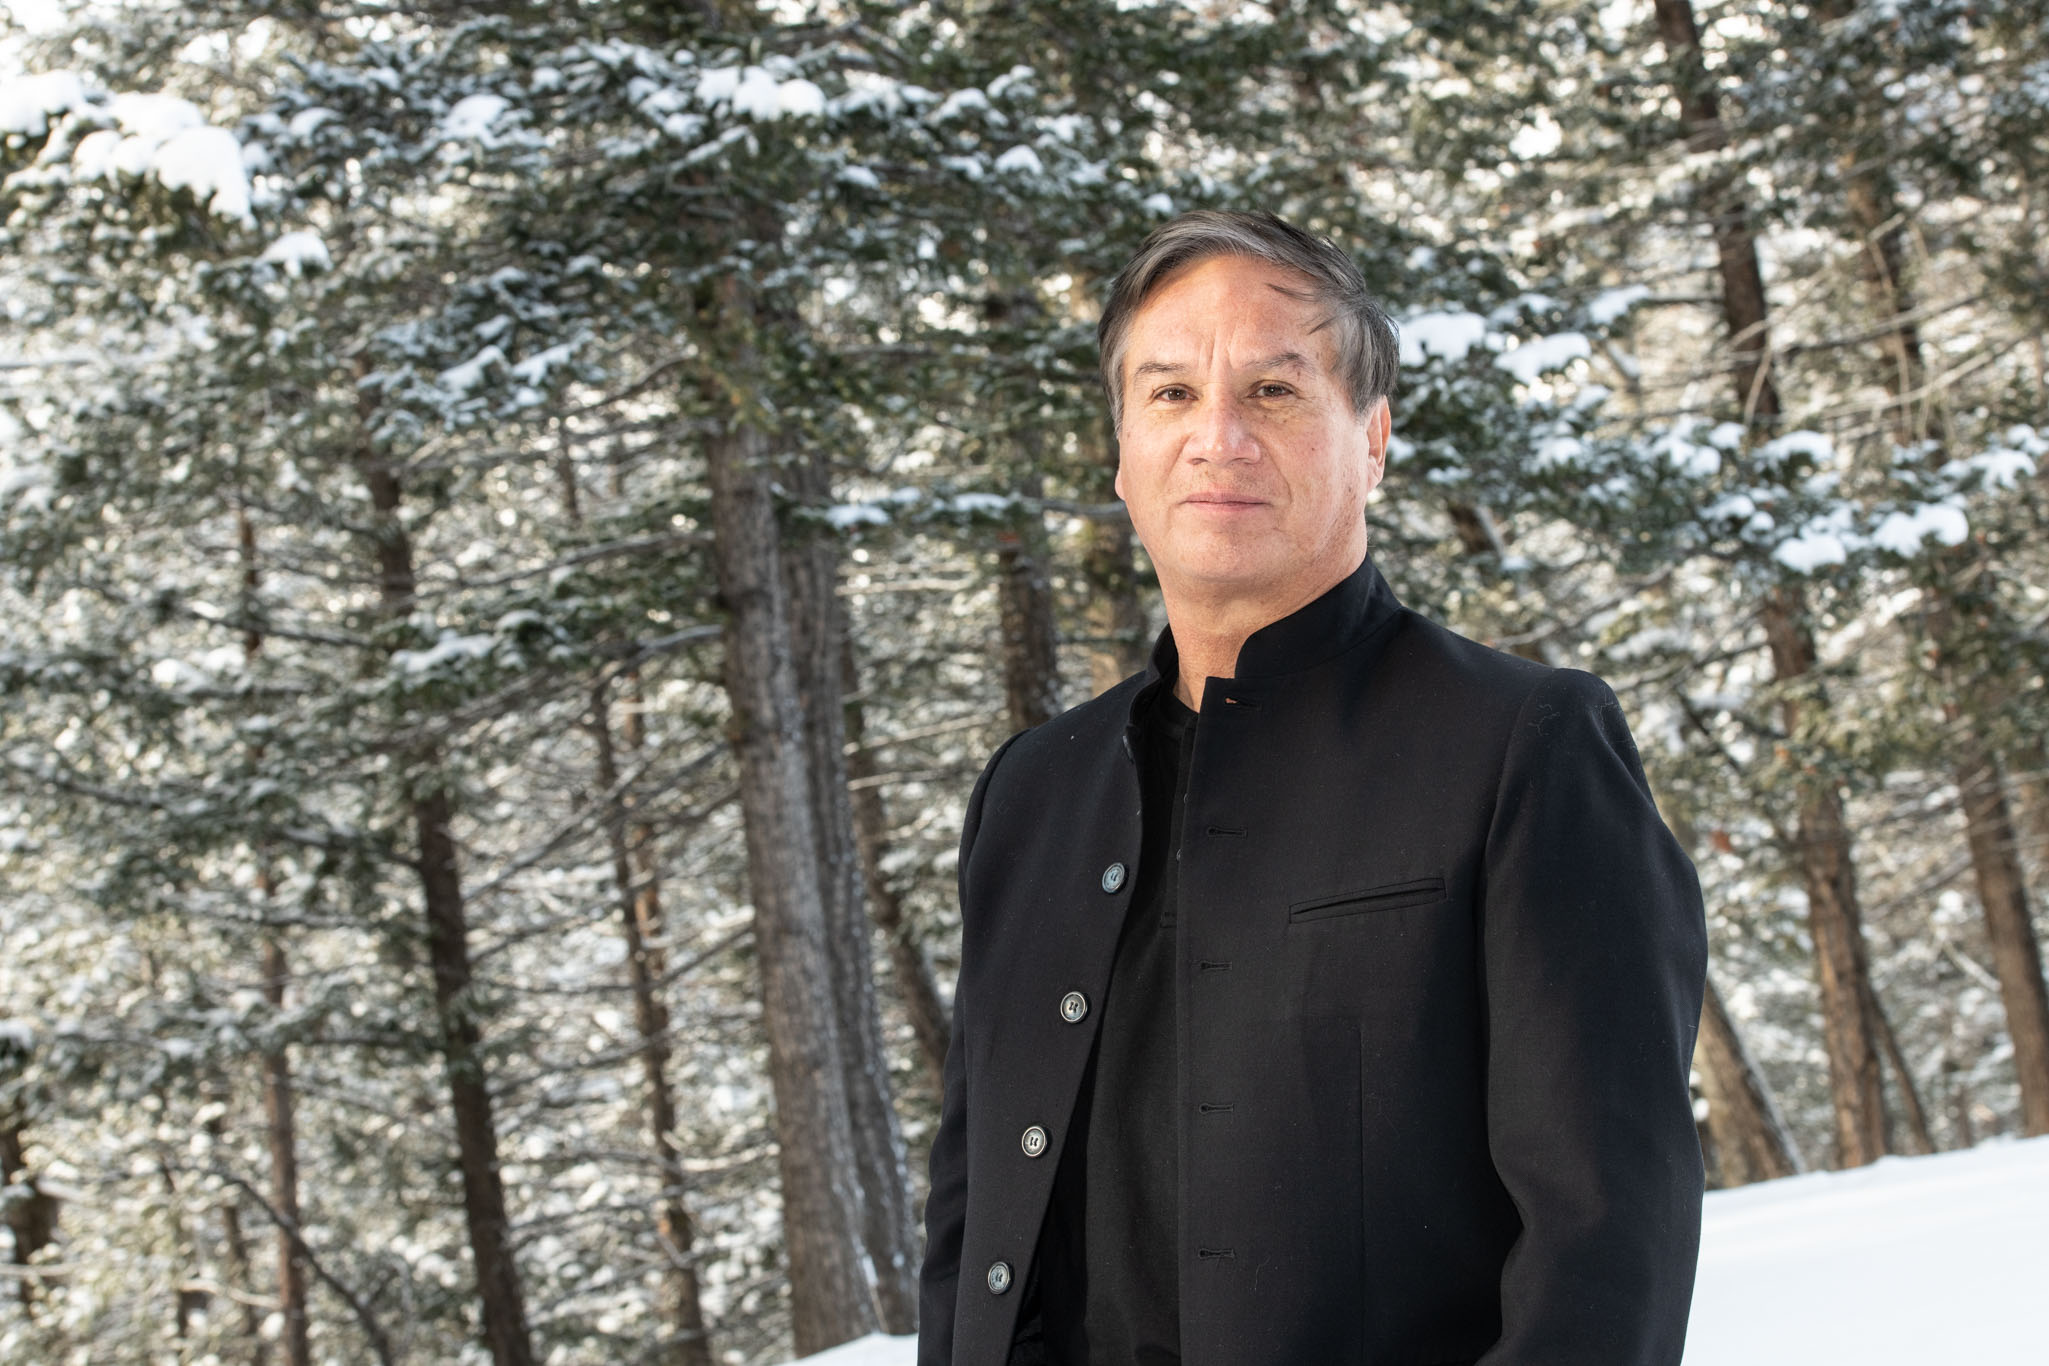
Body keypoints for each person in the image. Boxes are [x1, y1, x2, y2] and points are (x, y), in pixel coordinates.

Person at [916, 210, 1709, 1366]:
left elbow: (1604, 1251)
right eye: (1171, 393)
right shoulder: (1033, 795)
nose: (1218, 438)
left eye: (1274, 392)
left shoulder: (1522, 747)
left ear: (1372, 438)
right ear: (1121, 452)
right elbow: (970, 1216)